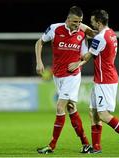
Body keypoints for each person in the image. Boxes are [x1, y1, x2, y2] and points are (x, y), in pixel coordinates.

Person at [68, 9, 119, 154]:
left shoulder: (100, 38)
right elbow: (95, 38)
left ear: (99, 22)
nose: (91, 22)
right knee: (93, 112)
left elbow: (87, 57)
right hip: (104, 78)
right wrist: (78, 24)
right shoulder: (111, 33)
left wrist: (77, 64)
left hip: (105, 80)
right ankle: (96, 148)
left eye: (93, 21)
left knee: (103, 114)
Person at [35, 6, 95, 154]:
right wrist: (39, 61)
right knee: (71, 108)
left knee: (60, 107)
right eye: (75, 21)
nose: (77, 24)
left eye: (80, 21)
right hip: (58, 75)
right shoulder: (55, 29)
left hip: (73, 76)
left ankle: (52, 145)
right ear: (68, 19)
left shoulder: (81, 33)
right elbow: (39, 42)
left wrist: (78, 64)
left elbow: (87, 53)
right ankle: (86, 144)